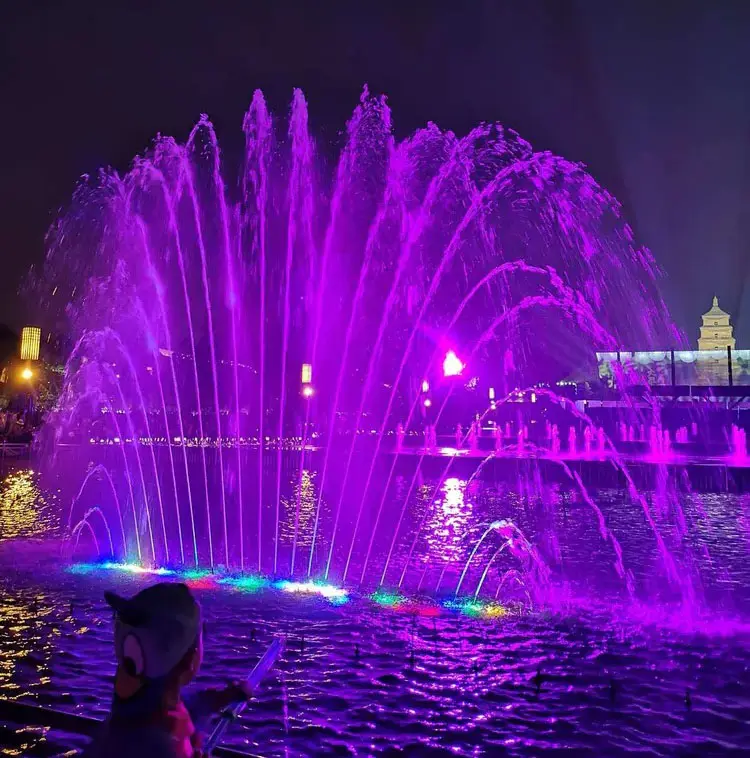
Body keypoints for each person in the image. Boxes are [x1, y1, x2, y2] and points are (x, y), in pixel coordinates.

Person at [85, 582, 248, 758]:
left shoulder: (134, 710)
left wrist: (223, 697)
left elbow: (183, 705)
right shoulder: (159, 744)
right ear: (189, 658)